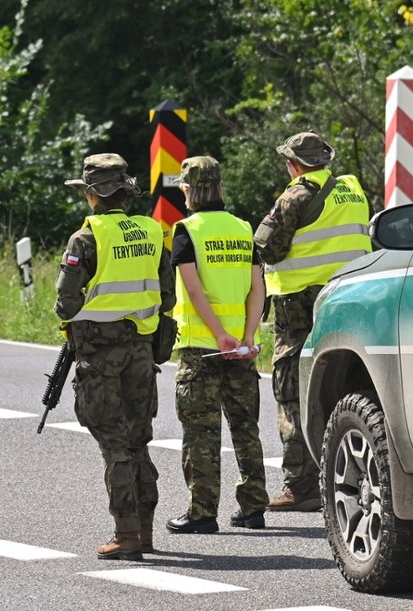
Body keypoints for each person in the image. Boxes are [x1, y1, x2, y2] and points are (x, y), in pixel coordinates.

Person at [55, 153, 175, 560]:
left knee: (114, 445)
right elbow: (168, 296)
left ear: (92, 195)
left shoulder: (86, 238)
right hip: (142, 352)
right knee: (139, 442)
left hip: (100, 357)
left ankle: (124, 535)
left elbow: (65, 305)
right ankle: (143, 531)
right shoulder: (151, 231)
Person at [254, 132, 373, 511]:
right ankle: (353, 473)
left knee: (292, 392)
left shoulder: (296, 194)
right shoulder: (351, 189)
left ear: (294, 164)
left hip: (301, 306)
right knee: (343, 388)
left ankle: (302, 485)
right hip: (348, 299)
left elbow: (267, 246)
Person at [165, 156, 270, 534]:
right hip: (240, 350)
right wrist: (246, 337)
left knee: (201, 431)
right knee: (246, 427)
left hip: (201, 347)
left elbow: (193, 290)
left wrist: (218, 335)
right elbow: (259, 288)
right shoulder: (243, 229)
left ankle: (202, 512)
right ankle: (253, 507)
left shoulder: (186, 230)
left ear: (188, 189)